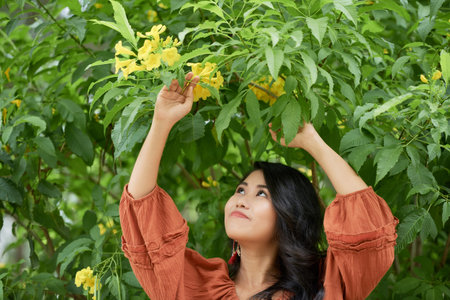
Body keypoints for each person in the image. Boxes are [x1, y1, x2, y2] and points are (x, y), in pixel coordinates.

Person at [119, 72, 399, 299]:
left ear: (290, 214)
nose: (241, 199)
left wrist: (311, 141)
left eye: (261, 193)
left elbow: (366, 225)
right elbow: (142, 218)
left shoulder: (323, 288)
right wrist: (161, 122)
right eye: (240, 190)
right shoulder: (198, 288)